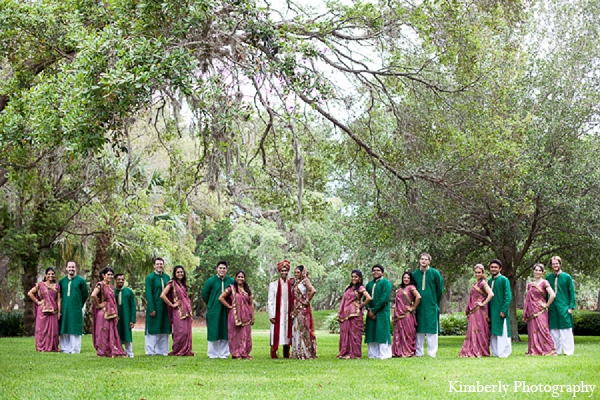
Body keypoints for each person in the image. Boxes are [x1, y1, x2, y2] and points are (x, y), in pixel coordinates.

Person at [412, 253, 444, 357]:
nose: (423, 261)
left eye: (426, 259)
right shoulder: (415, 274)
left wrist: (435, 302)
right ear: (419, 260)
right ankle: (419, 352)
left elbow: (440, 290)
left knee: (431, 330)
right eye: (422, 259)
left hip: (431, 305)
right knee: (419, 330)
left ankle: (432, 353)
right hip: (419, 306)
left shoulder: (435, 273)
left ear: (429, 261)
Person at [90, 267, 127, 357]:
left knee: (111, 330)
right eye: (108, 274)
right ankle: (102, 351)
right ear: (103, 275)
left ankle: (110, 349)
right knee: (103, 331)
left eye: (111, 275)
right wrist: (98, 305)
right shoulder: (100, 285)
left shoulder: (111, 287)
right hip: (103, 313)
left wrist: (116, 313)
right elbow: (93, 295)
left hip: (111, 312)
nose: (110, 276)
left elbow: (113, 301)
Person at [459, 264, 493, 358]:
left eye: (479, 272)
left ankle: (481, 350)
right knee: (473, 330)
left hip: (480, 311)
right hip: (473, 311)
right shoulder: (475, 284)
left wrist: (483, 303)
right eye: (476, 272)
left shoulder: (483, 283)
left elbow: (491, 294)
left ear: (483, 273)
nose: (477, 274)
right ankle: (473, 349)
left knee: (480, 330)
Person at [202, 260, 235, 358]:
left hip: (226, 310)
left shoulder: (231, 281)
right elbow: (205, 294)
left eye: (224, 268)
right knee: (213, 331)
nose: (222, 270)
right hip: (214, 310)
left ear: (227, 270)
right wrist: (212, 303)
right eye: (220, 268)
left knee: (225, 330)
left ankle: (224, 353)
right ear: (217, 269)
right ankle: (212, 353)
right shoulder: (211, 281)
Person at [218, 270, 254, 359]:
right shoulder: (231, 288)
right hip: (234, 315)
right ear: (235, 278)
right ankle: (236, 354)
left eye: (242, 277)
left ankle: (244, 353)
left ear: (245, 279)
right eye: (238, 277)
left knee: (245, 334)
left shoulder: (247, 290)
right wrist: (229, 306)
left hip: (246, 315)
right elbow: (221, 298)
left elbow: (251, 304)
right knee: (235, 334)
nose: (240, 278)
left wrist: (252, 316)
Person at [523, 263, 556, 356]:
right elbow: (527, 298)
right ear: (533, 271)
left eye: (539, 270)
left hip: (540, 311)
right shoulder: (530, 285)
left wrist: (546, 305)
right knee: (532, 330)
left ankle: (549, 350)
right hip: (531, 311)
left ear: (542, 272)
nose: (537, 272)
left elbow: (553, 295)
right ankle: (534, 350)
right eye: (536, 270)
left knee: (543, 330)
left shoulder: (544, 282)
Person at [161, 265, 194, 356]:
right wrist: (172, 304)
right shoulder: (172, 283)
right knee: (180, 332)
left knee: (187, 332)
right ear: (175, 274)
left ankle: (186, 350)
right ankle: (177, 350)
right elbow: (162, 295)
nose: (180, 273)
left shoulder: (184, 284)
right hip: (178, 311)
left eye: (182, 272)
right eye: (178, 272)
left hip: (186, 311)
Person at [337, 270, 371, 359]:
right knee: (345, 333)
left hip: (355, 314)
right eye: (352, 276)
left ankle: (355, 354)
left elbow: (368, 298)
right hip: (346, 314)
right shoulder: (348, 287)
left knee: (355, 334)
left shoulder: (360, 288)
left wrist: (361, 305)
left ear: (360, 278)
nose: (353, 278)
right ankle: (345, 353)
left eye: (356, 277)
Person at [546, 256, 576, 355]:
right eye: (553, 263)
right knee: (554, 330)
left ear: (560, 264)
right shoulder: (548, 277)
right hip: (553, 308)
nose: (555, 265)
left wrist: (571, 307)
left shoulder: (567, 277)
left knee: (566, 329)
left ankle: (569, 351)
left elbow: (572, 292)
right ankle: (556, 351)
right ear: (551, 265)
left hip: (564, 307)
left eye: (557, 263)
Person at [27, 267, 61, 352]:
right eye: (49, 274)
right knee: (41, 329)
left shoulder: (57, 287)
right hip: (42, 310)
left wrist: (59, 312)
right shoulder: (41, 285)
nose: (51, 275)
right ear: (45, 275)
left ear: (55, 276)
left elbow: (58, 300)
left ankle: (52, 347)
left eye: (52, 274)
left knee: (53, 329)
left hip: (53, 311)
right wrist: (37, 302)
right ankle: (41, 347)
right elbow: (30, 293)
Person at [58, 260, 88, 354]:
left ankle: (75, 349)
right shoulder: (62, 281)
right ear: (66, 268)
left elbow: (85, 294)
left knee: (74, 328)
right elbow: (59, 296)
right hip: (65, 308)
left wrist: (79, 304)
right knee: (65, 327)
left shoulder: (81, 281)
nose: (71, 269)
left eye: (73, 267)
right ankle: (65, 348)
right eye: (69, 267)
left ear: (76, 268)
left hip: (76, 309)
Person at [364, 264, 392, 359]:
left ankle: (384, 354)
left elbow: (384, 298)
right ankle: (373, 355)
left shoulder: (386, 283)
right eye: (374, 270)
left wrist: (374, 310)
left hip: (382, 312)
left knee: (382, 332)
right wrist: (369, 310)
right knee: (371, 332)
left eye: (378, 270)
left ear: (382, 272)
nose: (375, 272)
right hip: (370, 311)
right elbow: (365, 298)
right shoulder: (369, 284)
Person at [267, 259, 294, 359]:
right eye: (282, 271)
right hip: (277, 313)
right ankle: (274, 352)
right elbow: (270, 301)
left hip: (287, 313)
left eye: (286, 270)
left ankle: (286, 353)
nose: (284, 272)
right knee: (276, 332)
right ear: (279, 272)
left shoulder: (291, 284)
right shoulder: (273, 285)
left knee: (286, 333)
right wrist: (271, 315)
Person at [392, 271, 421, 357]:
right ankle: (398, 351)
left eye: (408, 278)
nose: (406, 279)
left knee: (408, 333)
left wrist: (413, 307)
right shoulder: (400, 290)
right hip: (398, 314)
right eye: (404, 277)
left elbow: (418, 297)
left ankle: (408, 351)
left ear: (411, 279)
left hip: (407, 314)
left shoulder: (411, 287)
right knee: (398, 333)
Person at [145, 257, 171, 356]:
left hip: (165, 308)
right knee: (153, 329)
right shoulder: (150, 278)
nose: (159, 266)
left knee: (164, 329)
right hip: (155, 306)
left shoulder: (167, 277)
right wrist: (151, 308)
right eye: (157, 264)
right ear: (154, 265)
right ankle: (150, 351)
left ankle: (163, 351)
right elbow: (149, 294)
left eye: (161, 264)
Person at [291, 265, 317, 359]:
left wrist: (306, 301)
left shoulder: (305, 281)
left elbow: (313, 291)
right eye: (295, 272)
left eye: (298, 272)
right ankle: (297, 352)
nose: (296, 274)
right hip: (296, 309)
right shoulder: (296, 282)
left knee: (304, 329)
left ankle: (306, 352)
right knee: (296, 329)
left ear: (302, 272)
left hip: (303, 309)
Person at [488, 259, 512, 358]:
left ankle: (503, 353)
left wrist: (504, 310)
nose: (493, 269)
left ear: (500, 268)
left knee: (503, 332)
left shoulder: (504, 280)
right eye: (492, 267)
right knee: (493, 332)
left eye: (495, 267)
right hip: (492, 311)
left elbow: (508, 296)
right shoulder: (489, 281)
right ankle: (495, 353)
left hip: (501, 311)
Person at [115, 273, 136, 358]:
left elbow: (133, 306)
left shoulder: (129, 292)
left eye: (122, 279)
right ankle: (117, 351)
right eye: (118, 279)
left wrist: (132, 320)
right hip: (116, 317)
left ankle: (129, 352)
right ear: (115, 280)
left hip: (126, 317)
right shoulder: (112, 291)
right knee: (116, 333)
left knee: (127, 334)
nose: (120, 281)